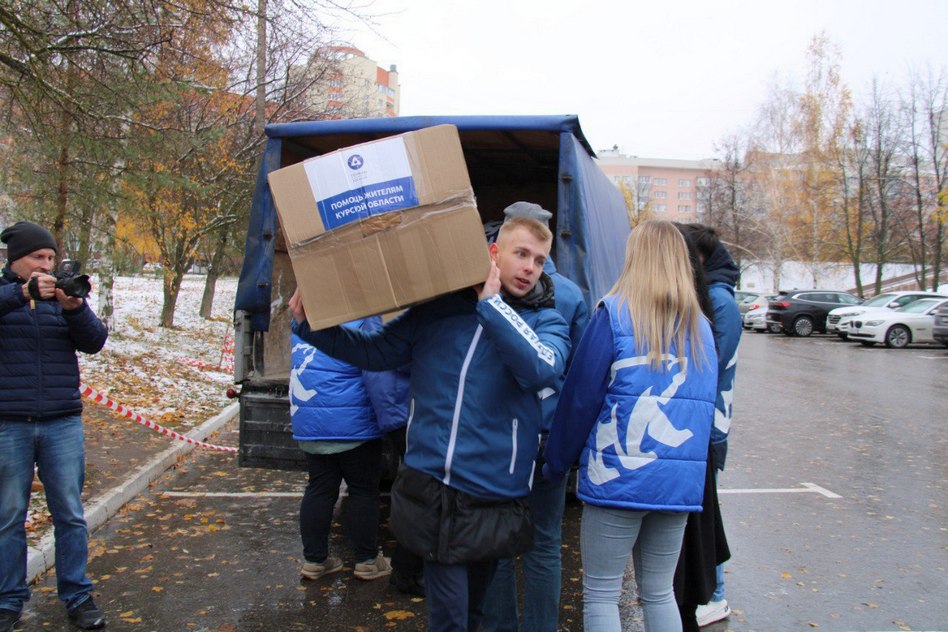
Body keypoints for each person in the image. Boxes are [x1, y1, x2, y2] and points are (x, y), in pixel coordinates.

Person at [289, 215, 570, 632]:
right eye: (522, 254)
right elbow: (375, 353)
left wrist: (492, 307)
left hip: (495, 492)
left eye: (540, 260)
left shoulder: (546, 321)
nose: (530, 267)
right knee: (449, 618)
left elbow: (541, 370)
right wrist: (310, 327)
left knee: (474, 615)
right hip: (433, 486)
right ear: (494, 254)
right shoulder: (439, 309)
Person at [543, 219, 718, 632]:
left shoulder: (614, 315)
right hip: (677, 484)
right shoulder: (702, 329)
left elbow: (580, 399)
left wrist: (556, 461)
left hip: (617, 477)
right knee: (659, 591)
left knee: (602, 593)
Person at [481, 202, 590, 632]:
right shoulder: (571, 294)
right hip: (549, 434)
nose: (528, 265)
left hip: (500, 435)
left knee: (499, 542)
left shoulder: (489, 286)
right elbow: (578, 372)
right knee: (544, 542)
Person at [0, 221, 109, 631]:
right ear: (15, 260)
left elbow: (95, 341)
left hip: (62, 421)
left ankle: (78, 596)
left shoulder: (60, 297)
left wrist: (74, 308)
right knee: (9, 517)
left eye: (50, 257)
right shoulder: (8, 293)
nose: (46, 265)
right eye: (37, 258)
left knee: (70, 514)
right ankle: (8, 601)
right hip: (9, 422)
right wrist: (21, 295)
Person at [291, 317, 399, 583]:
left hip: (311, 420)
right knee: (363, 491)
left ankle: (314, 561)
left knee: (319, 489)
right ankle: (367, 561)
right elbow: (378, 366)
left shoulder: (303, 318)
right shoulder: (364, 319)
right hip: (354, 423)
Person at [679, 224, 742, 628]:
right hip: (702, 424)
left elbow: (710, 366)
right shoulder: (710, 295)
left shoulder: (719, 301)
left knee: (705, 517)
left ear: (700, 258)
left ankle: (715, 596)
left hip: (709, 426)